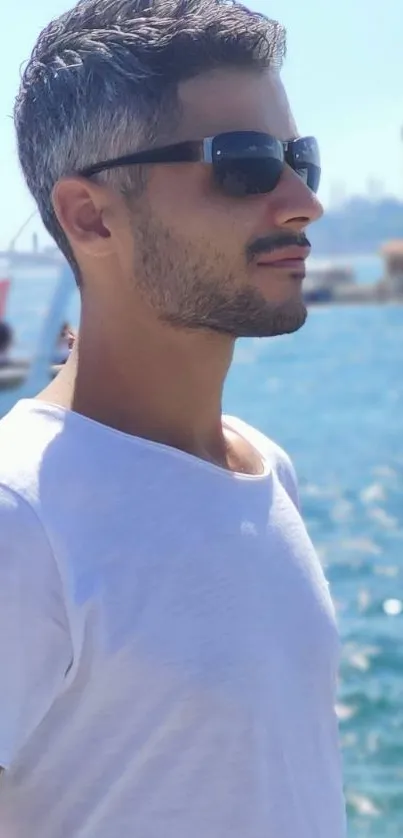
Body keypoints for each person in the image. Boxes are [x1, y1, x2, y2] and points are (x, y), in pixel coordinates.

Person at [0, 1, 347, 837]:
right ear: (90, 215)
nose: (303, 202)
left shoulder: (266, 469)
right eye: (244, 163)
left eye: (300, 158)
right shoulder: (20, 521)